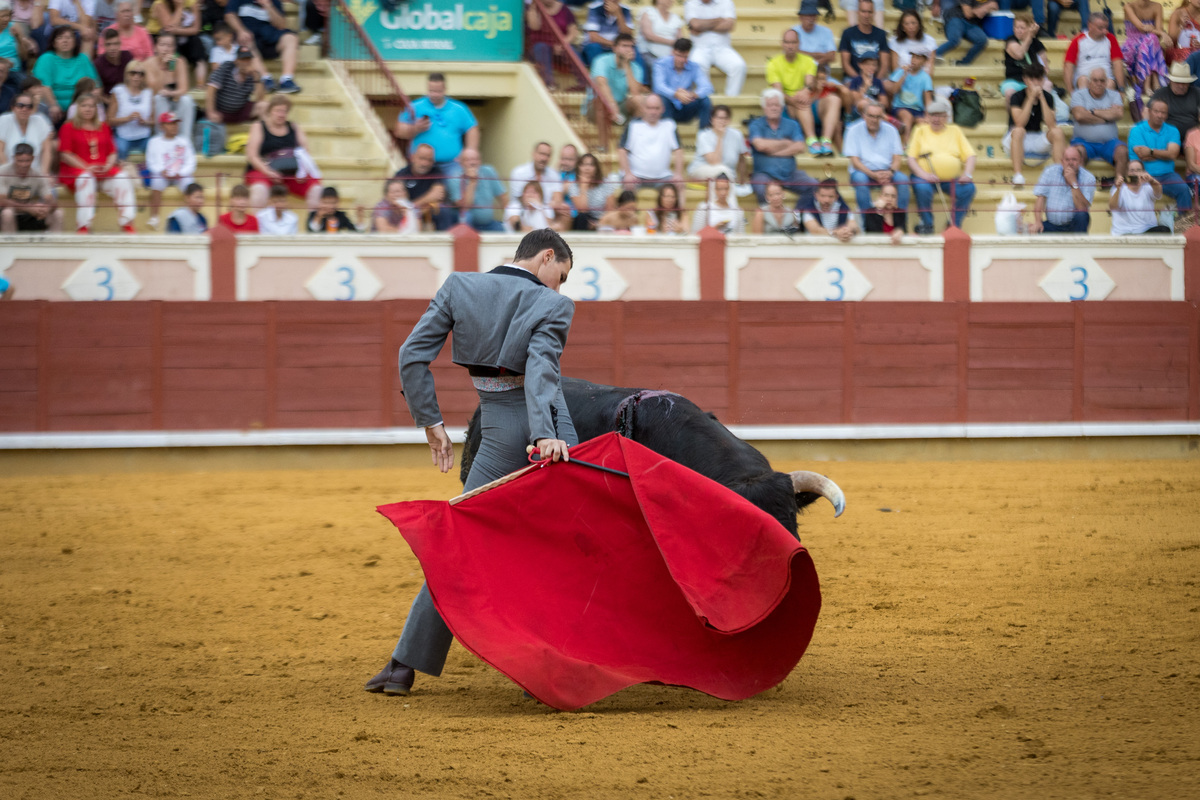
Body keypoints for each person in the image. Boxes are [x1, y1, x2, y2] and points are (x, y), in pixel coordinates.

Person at [364, 229, 578, 699]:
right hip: (552, 433)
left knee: (460, 543)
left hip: (498, 431)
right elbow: (542, 372)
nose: (558, 288)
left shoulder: (459, 287)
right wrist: (546, 436)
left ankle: (404, 665)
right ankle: (549, 664)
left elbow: (410, 355)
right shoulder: (554, 305)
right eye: (559, 276)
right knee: (562, 549)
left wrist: (431, 421)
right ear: (547, 257)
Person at [57, 92, 135, 232]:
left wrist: (108, 165)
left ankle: (127, 223)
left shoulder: (103, 126)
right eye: (84, 106)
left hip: (103, 170)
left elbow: (112, 152)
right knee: (86, 179)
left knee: (122, 178)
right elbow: (65, 154)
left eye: (92, 106)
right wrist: (87, 167)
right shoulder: (68, 127)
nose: (88, 109)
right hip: (78, 170)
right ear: (78, 108)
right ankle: (83, 226)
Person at [907, 98, 977, 232]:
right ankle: (927, 225)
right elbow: (911, 159)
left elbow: (970, 155)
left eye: (940, 115)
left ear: (946, 117)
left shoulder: (955, 130)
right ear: (927, 116)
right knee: (922, 188)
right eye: (933, 115)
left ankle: (953, 225)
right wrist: (925, 175)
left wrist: (967, 174)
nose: (936, 119)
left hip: (950, 180)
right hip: (924, 178)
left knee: (969, 189)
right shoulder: (920, 130)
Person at [245, 93, 321, 211]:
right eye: (278, 111)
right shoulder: (259, 126)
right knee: (259, 190)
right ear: (270, 111)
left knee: (316, 188)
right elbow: (252, 156)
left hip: (290, 172)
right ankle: (258, 228)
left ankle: (313, 224)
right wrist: (269, 172)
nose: (281, 114)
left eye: (284, 111)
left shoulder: (294, 127)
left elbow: (305, 152)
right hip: (263, 170)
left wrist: (302, 171)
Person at [768, 28, 837, 157]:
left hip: (807, 99)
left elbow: (810, 82)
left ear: (799, 44)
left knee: (834, 99)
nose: (790, 46)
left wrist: (805, 91)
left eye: (793, 42)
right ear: (782, 44)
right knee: (801, 101)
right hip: (788, 104)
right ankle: (811, 140)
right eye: (787, 43)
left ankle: (826, 140)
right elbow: (778, 92)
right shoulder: (773, 64)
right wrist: (796, 98)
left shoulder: (808, 61)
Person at [394, 73, 479, 170]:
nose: (434, 95)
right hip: (422, 165)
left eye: (438, 91)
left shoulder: (459, 109)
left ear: (445, 89)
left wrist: (470, 150)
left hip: (452, 164)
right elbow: (399, 131)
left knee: (457, 183)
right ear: (427, 89)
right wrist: (415, 128)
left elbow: (472, 128)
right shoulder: (414, 106)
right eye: (431, 91)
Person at [748, 88, 816, 207]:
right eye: (769, 105)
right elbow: (760, 145)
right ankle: (769, 221)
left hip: (790, 174)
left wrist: (774, 152)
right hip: (765, 174)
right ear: (764, 108)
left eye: (776, 105)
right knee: (760, 189)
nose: (773, 108)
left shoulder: (792, 124)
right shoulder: (756, 125)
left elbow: (800, 147)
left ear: (782, 107)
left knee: (815, 186)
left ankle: (796, 215)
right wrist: (786, 142)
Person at [844, 99, 909, 214]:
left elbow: (897, 158)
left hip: (887, 171)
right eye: (871, 116)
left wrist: (891, 172)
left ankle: (900, 220)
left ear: (882, 117)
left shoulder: (892, 130)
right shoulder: (853, 130)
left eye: (878, 117)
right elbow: (855, 162)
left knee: (903, 180)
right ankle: (868, 223)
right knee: (860, 180)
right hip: (863, 171)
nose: (874, 120)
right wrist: (873, 175)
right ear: (864, 116)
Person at [1006, 64, 1067, 186]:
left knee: (1058, 132)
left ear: (1042, 80)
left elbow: (1051, 125)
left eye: (1038, 79)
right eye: (1032, 78)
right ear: (1025, 79)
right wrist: (1030, 99)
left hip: (1036, 137)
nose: (1035, 82)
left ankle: (1058, 175)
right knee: (1019, 131)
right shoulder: (1016, 97)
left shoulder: (1048, 97)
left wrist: (1042, 99)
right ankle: (1018, 175)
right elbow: (1019, 123)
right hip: (1016, 139)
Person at [1128, 97, 1192, 214]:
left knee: (1183, 189)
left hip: (1167, 175)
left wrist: (1151, 152)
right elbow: (1142, 155)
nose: (1159, 115)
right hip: (1142, 175)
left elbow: (1173, 154)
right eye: (1156, 111)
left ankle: (1184, 227)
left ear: (1167, 115)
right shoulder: (1137, 130)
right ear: (1149, 111)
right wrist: (1164, 153)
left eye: (1163, 113)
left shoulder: (1172, 130)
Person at [224, 0, 300, 93]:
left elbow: (281, 25)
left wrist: (268, 5)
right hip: (248, 38)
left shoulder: (274, 2)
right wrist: (240, 30)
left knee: (291, 38)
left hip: (269, 38)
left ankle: (286, 80)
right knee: (246, 40)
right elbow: (229, 15)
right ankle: (265, 79)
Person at [1070, 67, 1131, 180]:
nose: (1099, 83)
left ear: (1106, 82)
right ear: (1089, 82)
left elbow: (1118, 114)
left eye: (1102, 80)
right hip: (1083, 142)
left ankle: (1118, 187)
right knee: (1076, 153)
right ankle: (1077, 187)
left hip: (1109, 142)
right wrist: (1106, 117)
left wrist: (1093, 111)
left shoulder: (1114, 95)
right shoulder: (1078, 95)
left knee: (1123, 151)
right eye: (1095, 80)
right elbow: (1079, 116)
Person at [618, 93, 683, 192]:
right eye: (649, 108)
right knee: (626, 188)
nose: (653, 112)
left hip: (663, 177)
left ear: (662, 109)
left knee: (679, 185)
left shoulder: (669, 125)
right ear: (643, 108)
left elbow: (678, 150)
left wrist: (678, 174)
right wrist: (627, 173)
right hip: (636, 176)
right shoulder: (633, 125)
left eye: (656, 108)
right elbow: (622, 150)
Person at [32, 24, 97, 121]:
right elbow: (44, 87)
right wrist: (53, 105)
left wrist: (86, 105)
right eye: (60, 38)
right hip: (53, 108)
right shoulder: (46, 58)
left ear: (75, 42)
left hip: (80, 108)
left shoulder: (83, 59)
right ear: (54, 43)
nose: (65, 41)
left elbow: (96, 86)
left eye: (69, 37)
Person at [682, 0, 745, 97]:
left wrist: (702, 27)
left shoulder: (726, 2)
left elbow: (730, 25)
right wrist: (719, 20)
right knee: (697, 65)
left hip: (723, 48)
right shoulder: (691, 2)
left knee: (739, 66)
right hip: (700, 48)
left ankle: (731, 101)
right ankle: (707, 100)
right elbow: (695, 25)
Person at [1030, 144, 1096, 233]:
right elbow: (1040, 199)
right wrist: (1038, 222)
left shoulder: (1088, 178)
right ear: (1062, 161)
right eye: (1067, 160)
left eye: (1074, 159)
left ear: (1080, 161)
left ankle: (1079, 246)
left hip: (1073, 226)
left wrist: (1073, 183)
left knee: (1082, 215)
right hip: (1052, 225)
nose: (1070, 163)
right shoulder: (1050, 172)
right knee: (1031, 229)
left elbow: (1082, 208)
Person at [145, 110, 194, 228]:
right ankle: (154, 218)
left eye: (176, 123)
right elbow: (150, 162)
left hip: (180, 174)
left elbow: (191, 162)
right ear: (162, 126)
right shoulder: (154, 142)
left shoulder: (184, 141)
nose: (174, 126)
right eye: (171, 124)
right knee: (156, 180)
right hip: (162, 174)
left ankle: (191, 217)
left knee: (190, 184)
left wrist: (181, 173)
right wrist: (161, 170)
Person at [0, 141, 61, 231]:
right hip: (8, 213)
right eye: (20, 161)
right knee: (7, 213)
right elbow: (2, 201)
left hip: (30, 214)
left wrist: (46, 209)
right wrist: (28, 208)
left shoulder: (38, 174)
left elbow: (51, 200)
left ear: (32, 159)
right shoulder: (3, 172)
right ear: (14, 158)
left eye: (27, 161)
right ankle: (10, 245)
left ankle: (55, 244)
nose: (23, 164)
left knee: (58, 214)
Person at [651, 37, 711, 130]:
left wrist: (693, 94)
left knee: (705, 100)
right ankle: (668, 136)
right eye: (678, 55)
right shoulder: (661, 64)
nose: (682, 60)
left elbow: (707, 87)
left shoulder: (694, 66)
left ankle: (704, 136)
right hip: (667, 107)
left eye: (685, 56)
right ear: (672, 52)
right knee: (662, 99)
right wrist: (675, 94)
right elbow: (658, 86)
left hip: (686, 106)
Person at [146, 33, 195, 145]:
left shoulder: (180, 61)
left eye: (170, 45)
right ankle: (161, 138)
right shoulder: (149, 63)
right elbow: (154, 90)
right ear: (156, 47)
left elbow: (183, 89)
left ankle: (185, 141)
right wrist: (163, 68)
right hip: (157, 104)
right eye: (162, 45)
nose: (166, 49)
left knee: (187, 100)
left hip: (175, 103)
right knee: (159, 98)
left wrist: (170, 93)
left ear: (174, 48)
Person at [1063, 13, 1129, 94]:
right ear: (1090, 26)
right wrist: (1070, 91)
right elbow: (1068, 66)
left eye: (1106, 28)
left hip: (1105, 79)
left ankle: (1104, 106)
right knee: (1083, 80)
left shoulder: (1111, 39)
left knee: (1110, 83)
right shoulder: (1078, 40)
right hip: (1085, 78)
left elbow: (1117, 64)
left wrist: (1121, 89)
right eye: (1100, 28)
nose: (1105, 31)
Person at [395, 142, 455, 231]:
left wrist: (417, 207)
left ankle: (444, 242)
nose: (425, 163)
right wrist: (428, 197)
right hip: (406, 214)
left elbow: (439, 196)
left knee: (445, 210)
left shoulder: (436, 172)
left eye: (429, 160)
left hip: (427, 212)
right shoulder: (402, 175)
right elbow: (398, 204)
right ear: (413, 157)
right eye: (422, 158)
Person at [588, 32, 644, 126]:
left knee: (639, 100)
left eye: (631, 46)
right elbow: (602, 84)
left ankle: (636, 134)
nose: (628, 49)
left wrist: (627, 65)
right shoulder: (601, 61)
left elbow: (635, 93)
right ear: (614, 48)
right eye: (624, 46)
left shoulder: (636, 68)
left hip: (620, 106)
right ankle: (603, 140)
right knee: (600, 103)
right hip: (598, 106)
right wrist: (612, 105)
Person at [686, 102, 748, 187]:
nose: (722, 121)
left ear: (729, 120)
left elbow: (742, 159)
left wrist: (742, 178)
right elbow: (714, 162)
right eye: (719, 118)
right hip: (701, 169)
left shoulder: (737, 135)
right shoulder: (704, 135)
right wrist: (720, 138)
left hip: (728, 174)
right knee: (722, 172)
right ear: (712, 119)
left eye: (725, 118)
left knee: (724, 174)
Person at [447, 147, 507, 232]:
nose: (472, 163)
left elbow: (503, 197)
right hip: (469, 224)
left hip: (489, 223)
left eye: (476, 159)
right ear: (461, 163)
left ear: (480, 161)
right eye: (467, 160)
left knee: (503, 230)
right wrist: (472, 182)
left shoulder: (488, 171)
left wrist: (508, 218)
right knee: (467, 216)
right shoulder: (455, 178)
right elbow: (464, 207)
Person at [148, 0, 207, 84]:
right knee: (170, 44)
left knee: (196, 42)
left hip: (182, 35)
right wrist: (180, 7)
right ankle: (172, 82)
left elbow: (196, 29)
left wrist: (177, 30)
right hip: (159, 37)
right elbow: (168, 28)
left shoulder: (192, 2)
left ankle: (200, 85)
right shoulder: (159, 3)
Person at [1122, 0, 1169, 106]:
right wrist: (1162, 33)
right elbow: (1141, 28)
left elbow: (1157, 32)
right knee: (1151, 40)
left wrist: (1158, 32)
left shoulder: (1157, 6)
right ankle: (1154, 82)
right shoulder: (1128, 7)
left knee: (1151, 38)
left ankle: (1148, 83)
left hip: (1150, 44)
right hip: (1132, 45)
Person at [525, 0, 578, 89]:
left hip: (560, 46)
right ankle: (549, 83)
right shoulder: (534, 8)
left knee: (571, 50)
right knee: (541, 48)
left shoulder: (565, 9)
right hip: (540, 48)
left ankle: (582, 83)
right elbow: (534, 26)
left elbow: (573, 32)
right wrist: (534, 8)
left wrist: (562, 44)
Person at [205, 45, 263, 125]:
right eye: (243, 59)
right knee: (211, 119)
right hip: (221, 112)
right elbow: (211, 88)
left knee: (264, 106)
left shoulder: (253, 75)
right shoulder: (226, 67)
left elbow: (260, 99)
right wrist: (211, 111)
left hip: (241, 111)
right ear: (236, 60)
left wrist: (257, 79)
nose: (246, 62)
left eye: (248, 59)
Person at [885, 48, 932, 143]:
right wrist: (904, 75)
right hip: (900, 107)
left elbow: (928, 99)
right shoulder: (901, 71)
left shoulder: (925, 77)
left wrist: (928, 116)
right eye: (913, 57)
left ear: (924, 61)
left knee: (923, 124)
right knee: (907, 116)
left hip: (917, 110)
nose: (914, 60)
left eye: (918, 58)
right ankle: (906, 145)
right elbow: (894, 90)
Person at [1109, 160, 1171, 233]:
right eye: (1131, 170)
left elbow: (1158, 193)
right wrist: (1119, 189)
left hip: (1146, 231)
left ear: (1143, 172)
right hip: (1125, 232)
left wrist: (1151, 180)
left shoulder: (1148, 186)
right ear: (1127, 173)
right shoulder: (1118, 188)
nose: (1135, 173)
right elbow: (1113, 207)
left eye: (1138, 170)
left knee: (1164, 230)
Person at [0, 89, 53, 172]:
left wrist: (44, 173)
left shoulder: (40, 120)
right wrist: (8, 173)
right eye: (20, 105)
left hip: (35, 173)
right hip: (7, 173)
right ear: (13, 107)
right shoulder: (4, 120)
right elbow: (0, 151)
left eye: (29, 106)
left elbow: (47, 150)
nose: (25, 109)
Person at [108, 58, 151, 159]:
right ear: (127, 74)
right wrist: (127, 119)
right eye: (133, 73)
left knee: (153, 148)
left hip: (144, 136)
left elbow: (153, 121)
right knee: (120, 149)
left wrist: (144, 121)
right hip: (123, 136)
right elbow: (109, 120)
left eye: (141, 74)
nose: (136, 76)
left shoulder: (148, 93)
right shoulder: (118, 91)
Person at [1002, 12, 1049, 102]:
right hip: (1014, 80)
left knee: (1047, 86)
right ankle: (1012, 116)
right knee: (1010, 93)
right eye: (1016, 27)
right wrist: (1029, 36)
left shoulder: (1037, 44)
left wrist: (1036, 82)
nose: (1018, 30)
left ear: (1029, 28)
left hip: (1033, 80)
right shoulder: (1010, 40)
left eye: (1022, 28)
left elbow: (1045, 68)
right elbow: (1019, 54)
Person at [839, 0, 890, 79]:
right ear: (858, 12)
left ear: (874, 13)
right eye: (863, 11)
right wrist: (859, 81)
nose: (866, 15)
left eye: (869, 12)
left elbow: (884, 65)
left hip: (875, 79)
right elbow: (845, 65)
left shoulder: (881, 34)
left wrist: (875, 82)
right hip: (853, 79)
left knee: (889, 86)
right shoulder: (847, 33)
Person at [936, 0, 995, 67]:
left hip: (972, 23)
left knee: (982, 40)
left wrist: (983, 9)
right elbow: (968, 14)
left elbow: (995, 6)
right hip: (956, 17)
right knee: (954, 40)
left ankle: (963, 63)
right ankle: (936, 54)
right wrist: (985, 7)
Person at [1149, 63, 1200, 140]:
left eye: (1184, 83)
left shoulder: (1196, 92)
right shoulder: (1161, 93)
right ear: (1170, 81)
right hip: (1167, 136)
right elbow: (1147, 112)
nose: (1181, 86)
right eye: (1177, 82)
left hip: (1193, 137)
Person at [564, 151, 613, 230]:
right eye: (583, 164)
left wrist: (598, 224)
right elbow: (582, 210)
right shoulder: (574, 186)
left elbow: (610, 209)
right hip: (584, 220)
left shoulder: (606, 183)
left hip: (603, 220)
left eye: (591, 165)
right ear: (578, 167)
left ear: (596, 168)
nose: (587, 168)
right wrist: (584, 187)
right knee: (582, 217)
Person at [582, 0, 634, 67]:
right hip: (600, 46)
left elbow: (627, 35)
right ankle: (598, 75)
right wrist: (615, 45)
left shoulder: (626, 10)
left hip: (617, 47)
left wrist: (618, 14)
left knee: (634, 50)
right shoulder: (594, 8)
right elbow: (593, 37)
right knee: (594, 47)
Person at [510, 140, 562, 205]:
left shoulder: (554, 175)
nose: (544, 158)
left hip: (547, 212)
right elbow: (521, 200)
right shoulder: (519, 173)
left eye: (548, 155)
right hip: (523, 212)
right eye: (541, 154)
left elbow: (558, 200)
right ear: (533, 154)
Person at [791, 0, 837, 73]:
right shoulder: (793, 31)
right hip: (800, 75)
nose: (811, 19)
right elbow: (792, 53)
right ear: (801, 17)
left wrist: (814, 63)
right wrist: (818, 54)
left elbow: (832, 56)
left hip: (822, 75)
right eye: (808, 15)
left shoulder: (826, 31)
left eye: (813, 15)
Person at [889, 10, 936, 76]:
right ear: (902, 27)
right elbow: (895, 70)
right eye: (906, 24)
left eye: (913, 23)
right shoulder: (895, 42)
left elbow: (929, 70)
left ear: (919, 24)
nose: (910, 27)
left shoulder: (929, 41)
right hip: (902, 80)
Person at [636, 0, 682, 66]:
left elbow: (680, 39)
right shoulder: (648, 12)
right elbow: (648, 36)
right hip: (649, 55)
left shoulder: (675, 17)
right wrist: (672, 42)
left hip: (670, 57)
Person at [93, 27, 131, 95]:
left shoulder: (128, 57)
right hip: (107, 102)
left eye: (115, 44)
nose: (112, 48)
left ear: (120, 44)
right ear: (104, 46)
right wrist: (111, 103)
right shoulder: (98, 64)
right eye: (108, 44)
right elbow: (97, 92)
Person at [1168, 0, 1200, 65]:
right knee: (1191, 55)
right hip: (1178, 50)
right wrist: (1181, 26)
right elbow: (1171, 39)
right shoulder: (1178, 13)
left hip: (1197, 50)